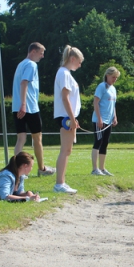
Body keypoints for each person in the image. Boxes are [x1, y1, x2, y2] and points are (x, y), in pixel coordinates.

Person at [12, 42, 55, 177]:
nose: (42, 56)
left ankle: (16, 170)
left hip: (17, 106)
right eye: (41, 53)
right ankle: (42, 169)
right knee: (37, 138)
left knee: (21, 139)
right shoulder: (31, 64)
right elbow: (24, 82)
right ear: (33, 51)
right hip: (29, 107)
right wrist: (24, 104)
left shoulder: (20, 64)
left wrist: (20, 104)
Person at [53, 45, 84, 194]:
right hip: (65, 116)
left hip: (68, 116)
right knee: (65, 150)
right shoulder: (64, 73)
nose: (80, 65)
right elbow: (65, 98)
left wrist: (74, 118)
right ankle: (59, 184)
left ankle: (62, 182)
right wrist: (72, 118)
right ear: (72, 59)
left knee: (67, 150)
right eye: (79, 62)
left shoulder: (65, 73)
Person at [91, 67, 119, 176]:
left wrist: (115, 117)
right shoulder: (101, 86)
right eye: (113, 77)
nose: (114, 79)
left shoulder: (113, 89)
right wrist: (99, 119)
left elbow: (113, 105)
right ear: (107, 76)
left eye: (116, 77)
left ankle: (102, 168)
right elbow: (95, 103)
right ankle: (95, 169)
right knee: (98, 142)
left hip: (109, 121)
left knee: (105, 143)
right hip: (99, 120)